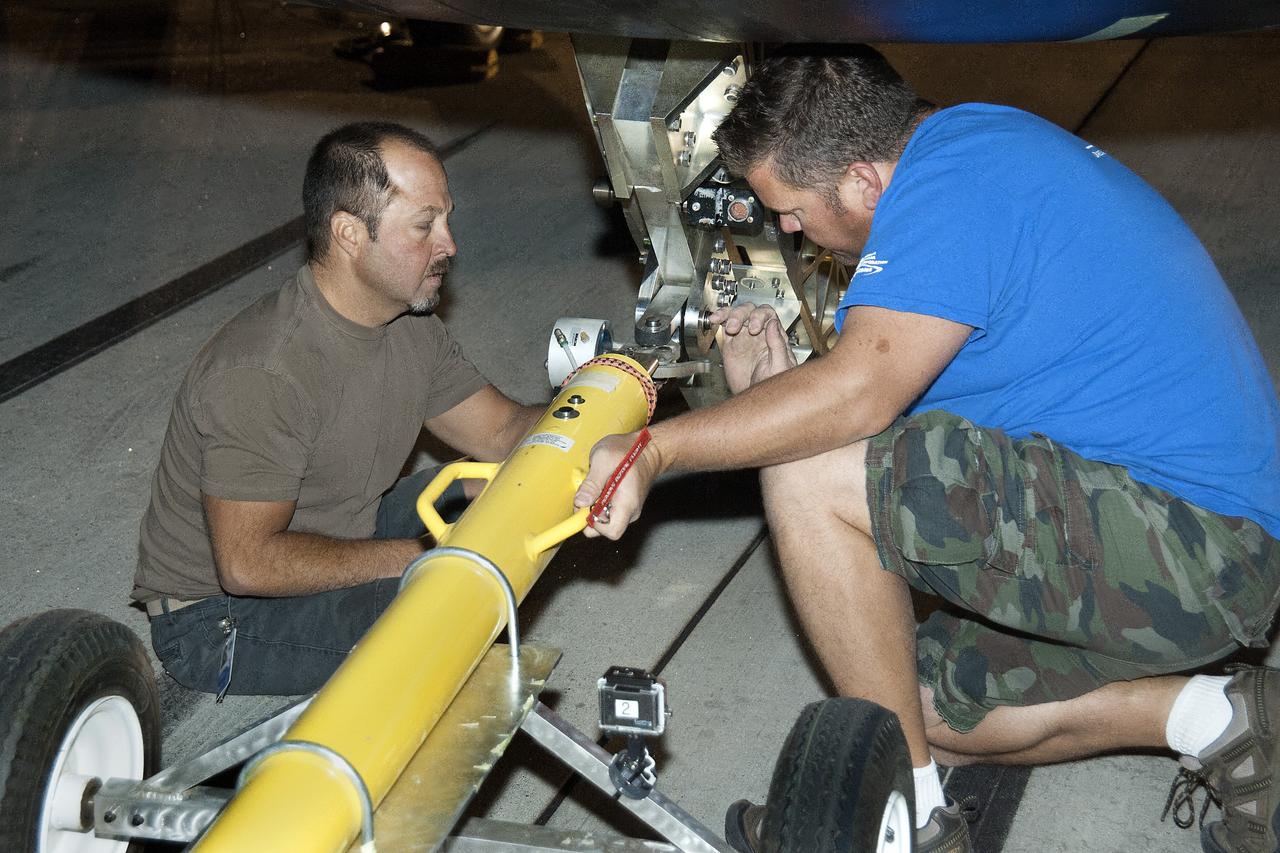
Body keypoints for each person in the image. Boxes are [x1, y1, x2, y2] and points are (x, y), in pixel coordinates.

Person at [573, 46, 1280, 853]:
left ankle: (907, 823)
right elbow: (877, 406)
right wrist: (777, 386)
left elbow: (856, 403)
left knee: (807, 474)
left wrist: (655, 449)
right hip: (1175, 537)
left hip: (1199, 544)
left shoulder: (953, 192)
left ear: (863, 183)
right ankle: (1225, 720)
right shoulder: (960, 151)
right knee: (918, 709)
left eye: (792, 211)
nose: (788, 231)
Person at [132, 122, 542, 698]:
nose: (449, 244)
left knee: (503, 484)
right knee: (452, 605)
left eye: (446, 220)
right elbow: (248, 563)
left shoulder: (406, 323)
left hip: (343, 527)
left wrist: (599, 411)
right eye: (425, 225)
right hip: (220, 620)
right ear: (350, 233)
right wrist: (421, 557)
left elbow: (502, 431)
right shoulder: (265, 372)